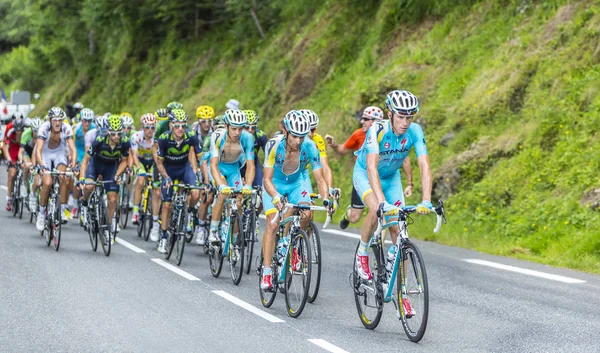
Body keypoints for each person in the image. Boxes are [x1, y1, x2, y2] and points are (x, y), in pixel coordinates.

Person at [353, 90, 433, 317]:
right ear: (390, 114)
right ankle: (362, 251)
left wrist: (426, 200)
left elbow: (424, 165)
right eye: (400, 117)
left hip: (392, 178)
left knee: (400, 233)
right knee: (375, 209)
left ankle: (402, 294)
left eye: (409, 117)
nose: (405, 123)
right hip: (367, 174)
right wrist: (381, 202)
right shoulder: (377, 130)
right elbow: (370, 167)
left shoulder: (415, 131)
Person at [259, 111, 333, 290]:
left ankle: (292, 244)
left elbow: (320, 178)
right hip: (275, 183)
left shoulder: (310, 146)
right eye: (294, 136)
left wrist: (326, 199)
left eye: (301, 137)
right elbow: (267, 179)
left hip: (296, 183)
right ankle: (267, 272)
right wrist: (276, 197)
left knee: (307, 213)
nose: (298, 141)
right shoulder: (273, 145)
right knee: (272, 224)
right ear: (285, 132)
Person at [325, 106, 413, 229]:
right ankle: (347, 215)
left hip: (382, 178)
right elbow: (343, 150)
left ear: (375, 121)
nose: (362, 122)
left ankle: (378, 244)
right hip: (364, 177)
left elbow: (404, 159)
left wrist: (410, 183)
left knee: (380, 212)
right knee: (355, 217)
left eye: (365, 119)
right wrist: (333, 145)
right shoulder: (358, 134)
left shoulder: (388, 134)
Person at [154, 109, 201, 253]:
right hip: (168, 169)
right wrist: (166, 177)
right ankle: (163, 237)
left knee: (196, 194)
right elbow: (159, 162)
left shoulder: (191, 136)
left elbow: (201, 157)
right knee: (167, 205)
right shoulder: (163, 138)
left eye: (183, 126)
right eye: (177, 126)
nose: (180, 129)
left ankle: (190, 210)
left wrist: (201, 174)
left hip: (184, 168)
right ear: (171, 126)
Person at [79, 114, 131, 239]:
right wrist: (82, 178)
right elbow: (86, 160)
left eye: (119, 133)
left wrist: (118, 174)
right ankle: (84, 203)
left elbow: (125, 161)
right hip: (96, 165)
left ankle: (107, 226)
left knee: (113, 199)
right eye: (113, 134)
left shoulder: (124, 141)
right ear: (108, 132)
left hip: (111, 167)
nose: (116, 137)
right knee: (89, 186)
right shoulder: (99, 139)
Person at [207, 109, 255, 244]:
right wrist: (221, 185)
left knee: (238, 201)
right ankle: (213, 230)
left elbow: (251, 166)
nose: (237, 133)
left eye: (240, 129)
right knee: (222, 194)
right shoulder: (217, 136)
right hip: (219, 167)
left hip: (234, 168)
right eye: (234, 129)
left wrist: (248, 185)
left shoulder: (247, 138)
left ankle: (233, 240)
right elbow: (213, 165)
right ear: (227, 126)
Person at [35, 107, 77, 231]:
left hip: (59, 153)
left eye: (59, 120)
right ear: (50, 120)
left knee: (63, 176)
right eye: (55, 120)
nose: (57, 123)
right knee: (47, 183)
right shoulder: (44, 128)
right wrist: (41, 165)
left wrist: (73, 164)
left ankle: (62, 208)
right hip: (46, 154)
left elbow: (73, 149)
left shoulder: (66, 128)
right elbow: (38, 149)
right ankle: (41, 213)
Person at [131, 113, 157, 225]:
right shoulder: (136, 137)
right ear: (142, 127)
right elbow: (134, 155)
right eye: (147, 127)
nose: (150, 130)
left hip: (153, 162)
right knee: (141, 181)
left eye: (152, 127)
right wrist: (138, 168)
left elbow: (159, 157)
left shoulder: (157, 138)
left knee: (156, 184)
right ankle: (135, 211)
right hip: (140, 161)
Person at [70, 108, 96, 218]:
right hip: (79, 154)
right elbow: (71, 146)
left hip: (91, 154)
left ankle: (92, 201)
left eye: (89, 121)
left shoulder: (95, 128)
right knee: (77, 180)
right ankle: (75, 204)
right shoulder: (75, 129)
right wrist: (73, 161)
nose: (87, 123)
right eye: (85, 120)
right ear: (81, 120)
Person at [19, 117, 43, 210]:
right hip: (27, 152)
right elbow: (21, 151)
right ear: (32, 129)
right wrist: (21, 161)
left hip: (38, 152)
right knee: (27, 166)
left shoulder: (42, 134)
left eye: (38, 130)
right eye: (35, 130)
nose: (37, 133)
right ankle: (24, 184)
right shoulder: (26, 133)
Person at [3, 115, 26, 211]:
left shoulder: (26, 132)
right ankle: (9, 198)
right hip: (13, 149)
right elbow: (5, 147)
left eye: (20, 130)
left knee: (26, 167)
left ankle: (24, 189)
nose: (19, 132)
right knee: (12, 174)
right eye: (17, 130)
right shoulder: (9, 130)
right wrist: (9, 159)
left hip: (22, 150)